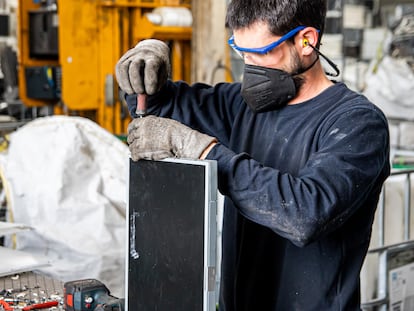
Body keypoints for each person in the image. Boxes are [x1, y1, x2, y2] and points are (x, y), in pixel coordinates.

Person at [115, 0, 391, 309]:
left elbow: (304, 214)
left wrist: (205, 151)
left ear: (307, 41)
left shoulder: (357, 123)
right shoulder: (242, 106)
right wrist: (146, 64)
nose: (250, 67)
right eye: (241, 51)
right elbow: (159, 109)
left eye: (260, 53)